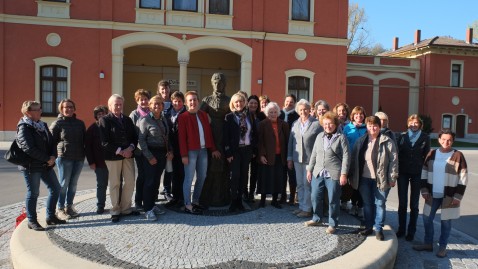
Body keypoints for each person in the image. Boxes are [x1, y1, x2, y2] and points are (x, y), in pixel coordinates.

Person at [413, 130, 468, 258]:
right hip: (432, 194)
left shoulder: (458, 155)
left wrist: (458, 196)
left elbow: (463, 177)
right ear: (439, 139)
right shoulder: (432, 153)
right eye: (443, 139)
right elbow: (424, 172)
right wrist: (424, 190)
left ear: (452, 141)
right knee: (427, 218)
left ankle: (442, 247)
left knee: (446, 222)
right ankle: (428, 243)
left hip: (449, 195)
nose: (446, 142)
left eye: (449, 140)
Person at [16, 101, 66, 231]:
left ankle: (50, 217)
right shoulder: (24, 127)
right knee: (33, 193)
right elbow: (28, 148)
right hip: (31, 166)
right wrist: (47, 158)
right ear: (28, 112)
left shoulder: (42, 125)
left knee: (56, 188)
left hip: (46, 165)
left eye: (40, 109)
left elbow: (51, 142)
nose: (40, 112)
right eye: (37, 110)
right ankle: (32, 221)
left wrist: (53, 156)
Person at [349, 116, 398, 241]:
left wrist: (392, 177)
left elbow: (394, 161)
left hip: (381, 179)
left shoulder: (387, 141)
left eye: (375, 125)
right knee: (367, 204)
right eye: (370, 125)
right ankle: (368, 226)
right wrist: (352, 176)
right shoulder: (361, 141)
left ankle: (378, 229)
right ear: (367, 126)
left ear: (379, 126)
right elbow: (354, 159)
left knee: (380, 203)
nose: (372, 128)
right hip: (364, 178)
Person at [305, 112, 350, 234]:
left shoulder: (341, 138)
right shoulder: (319, 136)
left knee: (333, 199)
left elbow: (346, 157)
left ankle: (333, 223)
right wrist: (309, 169)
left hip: (334, 173)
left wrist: (344, 174)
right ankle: (317, 218)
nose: (328, 126)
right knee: (315, 196)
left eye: (330, 123)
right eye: (325, 124)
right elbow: (314, 154)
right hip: (318, 172)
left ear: (335, 124)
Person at [179, 91, 221, 214]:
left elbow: (208, 133)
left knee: (202, 177)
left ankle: (195, 201)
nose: (193, 102)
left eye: (195, 100)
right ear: (186, 103)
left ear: (198, 101)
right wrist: (184, 155)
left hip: (203, 151)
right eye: (190, 100)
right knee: (189, 178)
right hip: (190, 152)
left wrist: (213, 149)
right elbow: (181, 138)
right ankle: (187, 204)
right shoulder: (183, 117)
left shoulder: (203, 115)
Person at [99, 94, 139, 223]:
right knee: (115, 183)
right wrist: (121, 151)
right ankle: (115, 210)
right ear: (110, 106)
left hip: (128, 155)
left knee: (130, 181)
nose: (118, 106)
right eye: (115, 104)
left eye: (120, 104)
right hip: (112, 156)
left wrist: (131, 148)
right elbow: (104, 142)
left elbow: (134, 137)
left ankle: (126, 208)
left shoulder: (127, 120)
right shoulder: (105, 120)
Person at [50, 99, 86, 220]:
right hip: (64, 158)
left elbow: (84, 140)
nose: (69, 109)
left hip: (79, 157)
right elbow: (51, 142)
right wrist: (53, 156)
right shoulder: (57, 124)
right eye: (66, 107)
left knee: (73, 184)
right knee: (64, 184)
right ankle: (60, 208)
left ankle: (69, 207)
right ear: (61, 109)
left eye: (71, 107)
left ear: (74, 109)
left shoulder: (80, 123)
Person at [396, 114, 431, 241]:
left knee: (414, 204)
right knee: (402, 203)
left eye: (416, 123)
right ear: (408, 123)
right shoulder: (402, 136)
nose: (414, 125)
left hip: (417, 173)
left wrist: (426, 175)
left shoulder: (425, 137)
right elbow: (397, 153)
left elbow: (427, 157)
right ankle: (401, 229)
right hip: (403, 172)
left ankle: (411, 231)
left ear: (420, 124)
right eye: (411, 122)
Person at [138, 95, 172, 221]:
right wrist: (149, 157)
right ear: (150, 106)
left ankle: (153, 204)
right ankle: (147, 209)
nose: (157, 106)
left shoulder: (164, 119)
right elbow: (141, 141)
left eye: (160, 104)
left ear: (163, 106)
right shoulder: (145, 120)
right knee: (149, 182)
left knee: (157, 181)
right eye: (154, 104)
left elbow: (168, 137)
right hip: (150, 154)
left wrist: (170, 151)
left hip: (162, 154)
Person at [287, 99, 323, 218]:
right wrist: (290, 158)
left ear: (309, 110)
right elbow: (291, 142)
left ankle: (307, 209)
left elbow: (321, 142)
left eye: (305, 109)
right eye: (301, 110)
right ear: (298, 111)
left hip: (310, 160)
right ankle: (302, 206)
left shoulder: (316, 124)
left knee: (307, 184)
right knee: (300, 184)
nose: (303, 111)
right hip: (297, 159)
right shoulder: (295, 124)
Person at [200, 73, 231, 207]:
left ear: (224, 84)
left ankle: (222, 196)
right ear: (212, 84)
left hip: (225, 134)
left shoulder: (229, 100)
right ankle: (209, 197)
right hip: (211, 134)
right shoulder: (206, 100)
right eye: (215, 83)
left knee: (223, 168)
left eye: (220, 83)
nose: (218, 85)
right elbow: (200, 116)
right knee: (211, 168)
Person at [224, 93, 254, 212]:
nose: (239, 104)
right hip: (234, 151)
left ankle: (240, 201)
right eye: (236, 102)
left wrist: (252, 150)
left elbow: (253, 133)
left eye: (241, 101)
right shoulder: (229, 117)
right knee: (235, 176)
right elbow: (225, 137)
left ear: (244, 102)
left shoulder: (249, 116)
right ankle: (233, 201)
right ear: (233, 103)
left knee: (243, 176)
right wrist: (228, 153)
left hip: (246, 150)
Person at [257, 102, 290, 208]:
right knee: (265, 178)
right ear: (267, 113)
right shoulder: (262, 124)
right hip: (266, 156)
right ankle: (262, 200)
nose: (273, 114)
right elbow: (260, 141)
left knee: (278, 178)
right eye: (271, 112)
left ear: (278, 113)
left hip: (280, 156)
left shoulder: (283, 124)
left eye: (275, 112)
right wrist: (261, 155)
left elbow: (288, 140)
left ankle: (275, 200)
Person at [163, 91, 187, 207]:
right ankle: (175, 197)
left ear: (183, 102)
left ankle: (182, 198)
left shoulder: (186, 114)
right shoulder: (167, 113)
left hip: (182, 148)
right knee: (173, 173)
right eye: (175, 101)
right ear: (171, 102)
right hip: (171, 148)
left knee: (182, 174)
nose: (177, 103)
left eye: (179, 101)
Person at [343, 106, 367, 217]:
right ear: (353, 116)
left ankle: (360, 206)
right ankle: (352, 204)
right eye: (356, 114)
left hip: (363, 161)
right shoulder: (347, 128)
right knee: (352, 184)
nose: (359, 116)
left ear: (364, 116)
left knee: (362, 184)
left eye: (361, 114)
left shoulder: (367, 128)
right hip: (351, 160)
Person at [129, 89, 151, 211]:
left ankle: (149, 199)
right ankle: (138, 201)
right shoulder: (134, 114)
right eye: (141, 99)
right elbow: (132, 133)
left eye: (145, 99)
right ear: (137, 100)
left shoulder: (152, 112)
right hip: (139, 150)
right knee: (142, 175)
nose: (143, 101)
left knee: (150, 175)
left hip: (151, 149)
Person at [85, 105, 109, 214]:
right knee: (101, 185)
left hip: (113, 161)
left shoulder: (111, 125)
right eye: (99, 114)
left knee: (116, 184)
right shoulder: (92, 129)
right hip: (99, 163)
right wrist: (91, 162)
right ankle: (100, 205)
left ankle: (118, 205)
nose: (101, 116)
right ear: (96, 116)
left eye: (103, 113)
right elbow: (88, 147)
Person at [279, 94, 299, 204]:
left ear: (294, 103)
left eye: (291, 102)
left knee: (292, 174)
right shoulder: (279, 114)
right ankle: (282, 196)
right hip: (281, 148)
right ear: (284, 102)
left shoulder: (297, 116)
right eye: (287, 101)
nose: (289, 103)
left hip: (293, 148)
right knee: (281, 173)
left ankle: (292, 197)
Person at [245, 95, 262, 201]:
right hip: (246, 148)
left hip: (257, 148)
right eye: (251, 103)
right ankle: (244, 192)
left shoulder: (261, 116)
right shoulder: (244, 116)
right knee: (245, 172)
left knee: (254, 173)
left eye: (255, 103)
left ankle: (251, 193)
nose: (253, 105)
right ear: (247, 104)